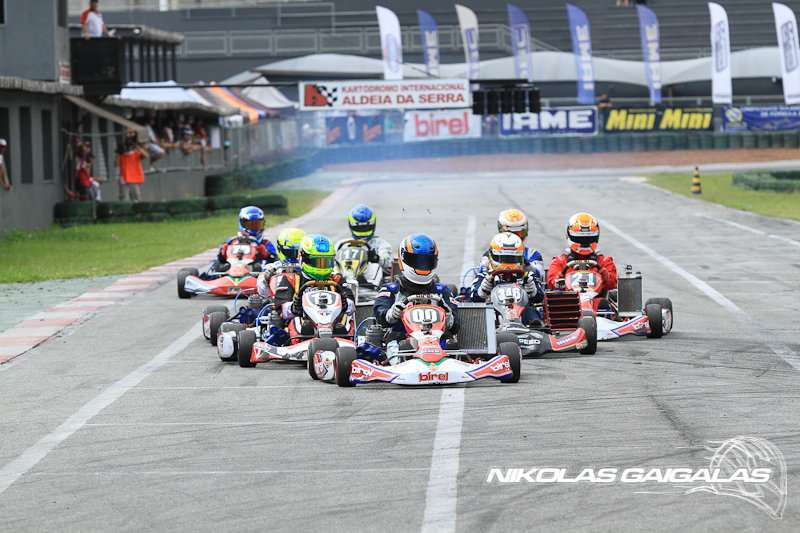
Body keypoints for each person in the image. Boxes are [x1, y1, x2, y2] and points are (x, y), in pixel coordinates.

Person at [374, 233, 460, 344]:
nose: (423, 266)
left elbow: (456, 326)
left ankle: (441, 354)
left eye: (427, 262)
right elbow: (379, 316)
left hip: (435, 339)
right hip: (402, 339)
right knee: (393, 338)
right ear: (403, 259)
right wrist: (391, 314)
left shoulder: (441, 290)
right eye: (418, 261)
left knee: (448, 340)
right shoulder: (391, 289)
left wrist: (449, 320)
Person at [272, 234, 355, 335]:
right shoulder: (291, 280)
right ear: (303, 258)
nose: (321, 266)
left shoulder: (337, 280)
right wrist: (294, 307)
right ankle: (304, 339)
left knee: (346, 320)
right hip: (304, 321)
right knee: (297, 321)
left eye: (325, 262)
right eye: (316, 261)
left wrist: (345, 303)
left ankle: (343, 338)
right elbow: (281, 308)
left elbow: (352, 305)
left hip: (333, 322)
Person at [467, 233, 544, 325]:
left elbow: (540, 297)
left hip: (522, 316)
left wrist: (533, 291)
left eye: (512, 258)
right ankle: (491, 327)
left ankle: (535, 327)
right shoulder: (484, 277)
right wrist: (483, 291)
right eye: (503, 258)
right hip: (495, 314)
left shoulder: (528, 276)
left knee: (529, 310)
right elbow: (473, 297)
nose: (508, 264)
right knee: (488, 312)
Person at [547, 213, 618, 293]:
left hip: (597, 300)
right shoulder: (559, 261)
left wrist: (606, 278)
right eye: (580, 238)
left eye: (588, 239)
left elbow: (612, 285)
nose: (584, 242)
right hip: (569, 299)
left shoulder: (605, 261)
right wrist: (558, 280)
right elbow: (551, 284)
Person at [480, 208, 545, 279]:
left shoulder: (533, 254)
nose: (513, 237)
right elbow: (481, 274)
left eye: (518, 233)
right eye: (510, 233)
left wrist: (524, 263)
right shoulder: (490, 254)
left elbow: (539, 275)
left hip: (524, 285)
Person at [334, 204, 393, 277]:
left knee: (374, 266)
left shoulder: (381, 244)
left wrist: (375, 258)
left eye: (365, 227)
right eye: (359, 227)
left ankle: (370, 284)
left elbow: (387, 263)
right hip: (345, 276)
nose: (362, 230)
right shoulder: (342, 244)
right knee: (335, 268)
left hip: (369, 278)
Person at [256, 227, 307, 298]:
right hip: (277, 302)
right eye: (290, 252)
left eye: (298, 252)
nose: (295, 257)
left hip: (303, 301)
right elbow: (263, 293)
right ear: (280, 249)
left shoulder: (309, 267)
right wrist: (266, 280)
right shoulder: (271, 267)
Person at [115, 130, 148, 202]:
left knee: (136, 198)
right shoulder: (122, 155)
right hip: (124, 178)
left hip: (134, 178)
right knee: (123, 198)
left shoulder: (136, 153)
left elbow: (146, 156)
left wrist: (137, 147)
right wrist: (117, 153)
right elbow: (116, 164)